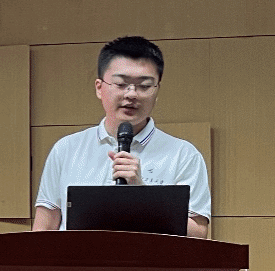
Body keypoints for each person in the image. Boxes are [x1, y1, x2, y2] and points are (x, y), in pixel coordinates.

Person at [32, 36, 211, 239]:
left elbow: (198, 234)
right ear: (99, 88)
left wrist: (142, 196)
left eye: (144, 86)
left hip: (150, 260)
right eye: (121, 84)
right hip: (77, 260)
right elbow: (43, 228)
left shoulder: (184, 155)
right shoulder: (66, 149)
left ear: (157, 91)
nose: (131, 94)